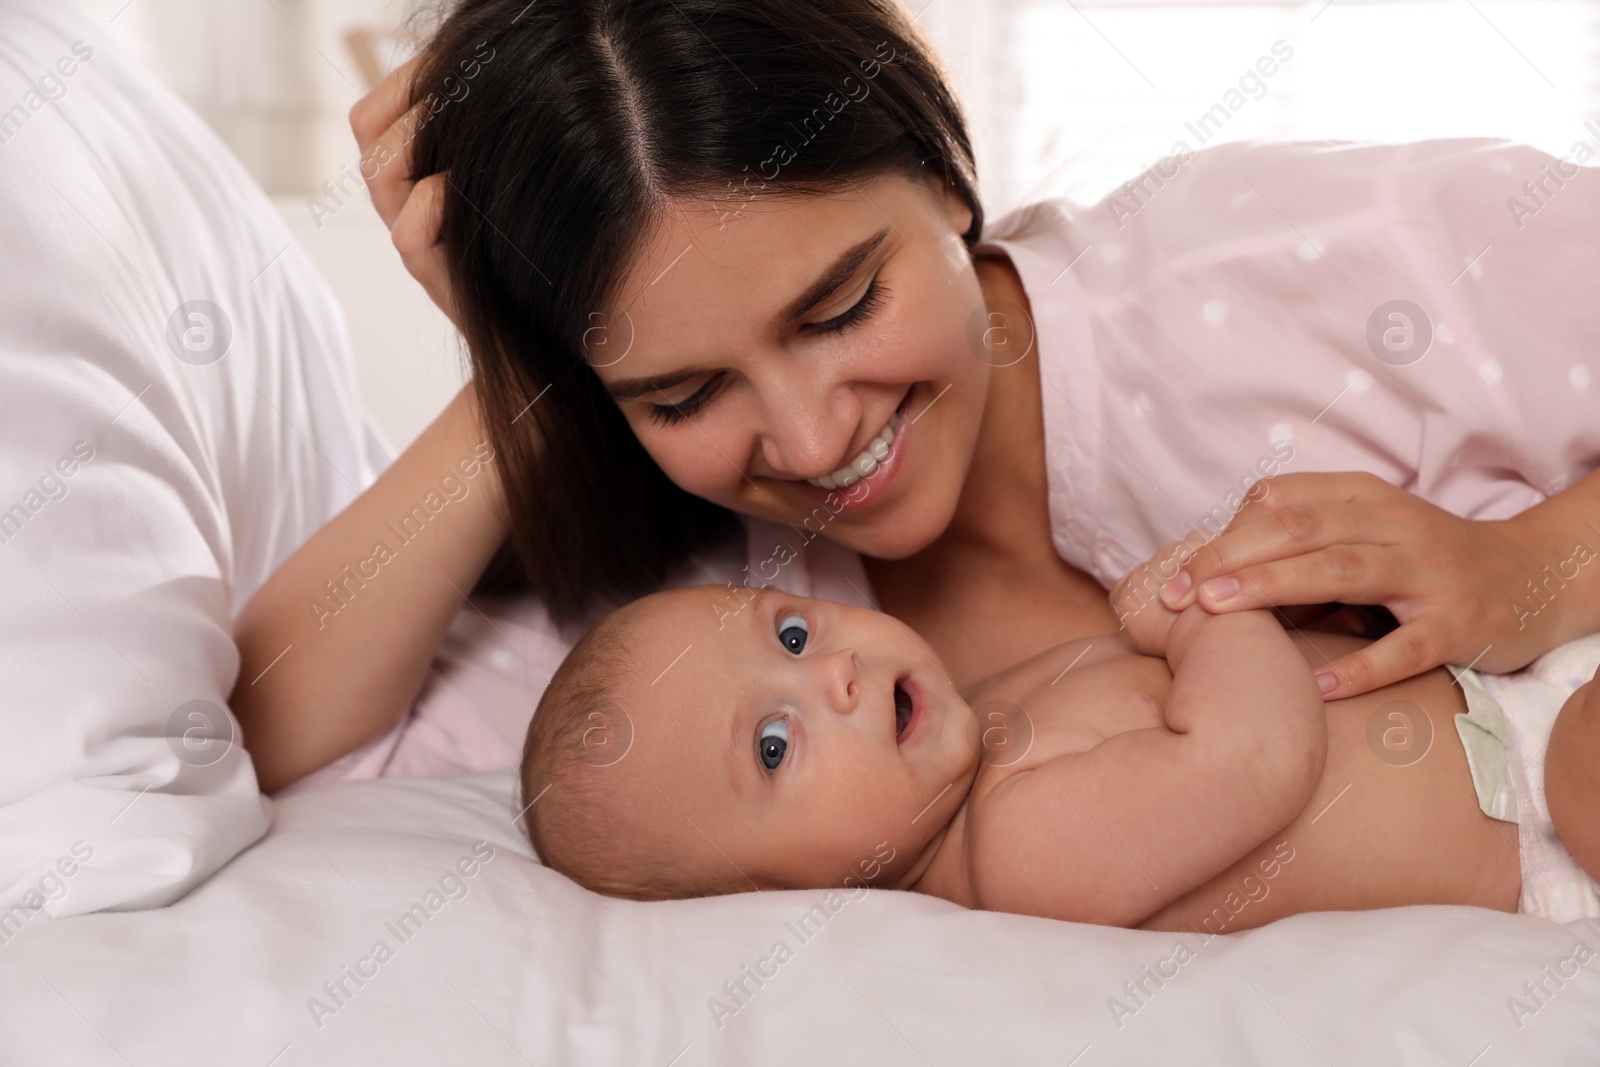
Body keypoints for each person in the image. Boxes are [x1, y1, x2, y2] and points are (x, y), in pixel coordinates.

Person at [237, 0, 1600, 791]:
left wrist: (1534, 565)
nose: (818, 436)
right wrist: (521, 363)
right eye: (681, 387)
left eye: (841, 306)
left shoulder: (1288, 264)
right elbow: (275, 735)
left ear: (945, 175)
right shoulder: (714, 612)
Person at [513, 572, 1600, 926]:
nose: (828, 671)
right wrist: (1201, 607)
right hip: (1547, 816)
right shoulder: (1021, 850)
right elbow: (1254, 756)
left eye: (791, 632)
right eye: (771, 742)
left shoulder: (981, 725)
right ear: (774, 899)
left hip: (1508, 698)